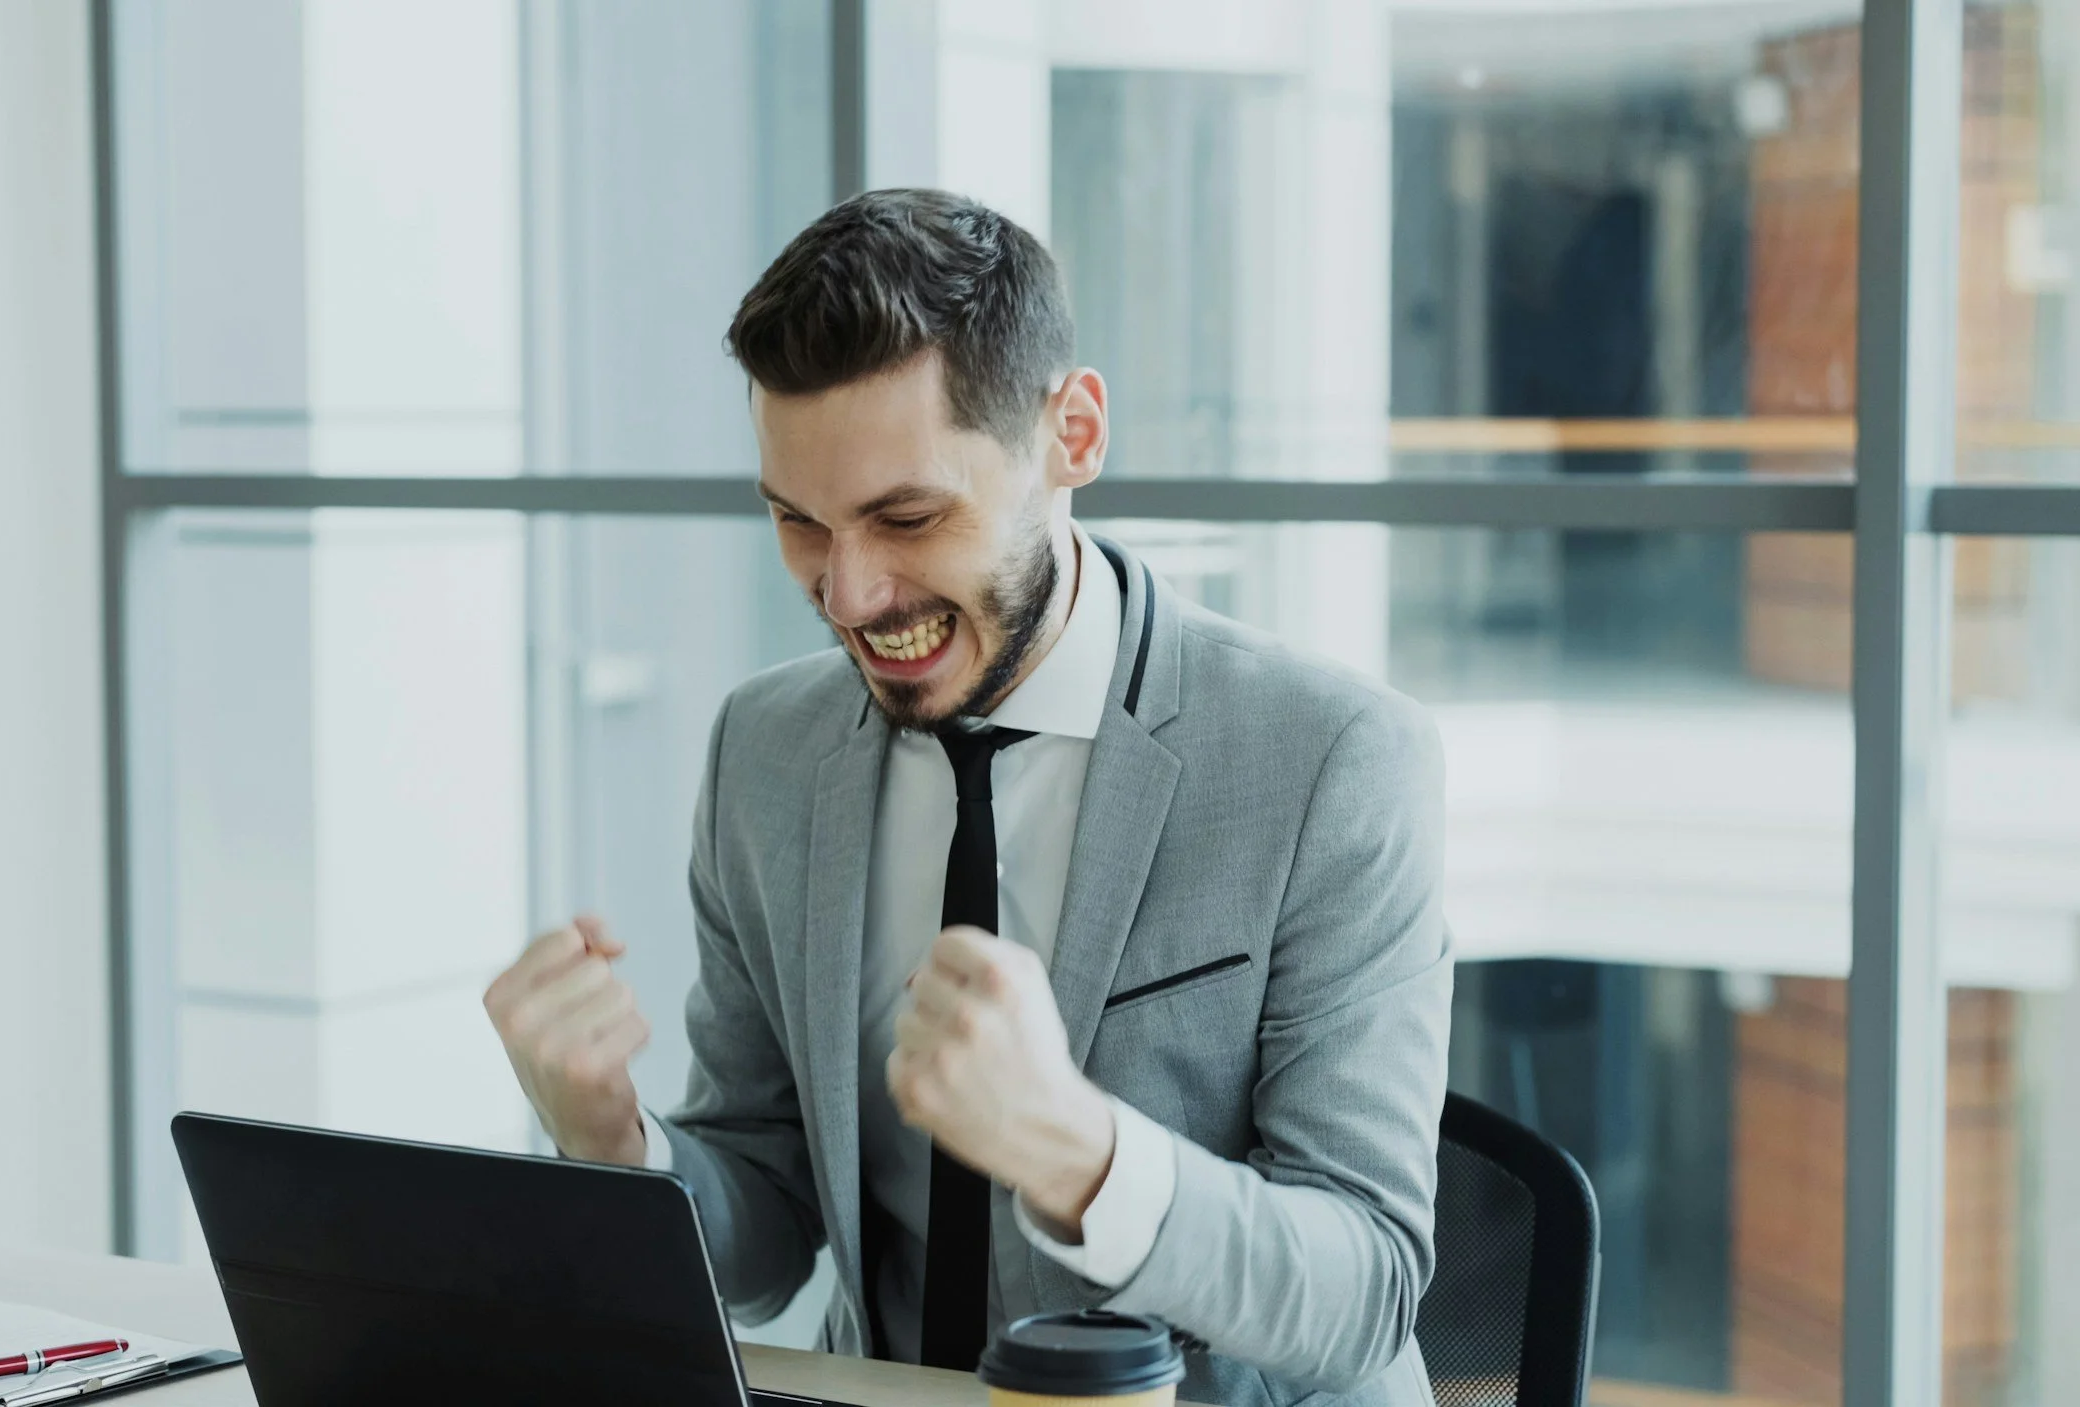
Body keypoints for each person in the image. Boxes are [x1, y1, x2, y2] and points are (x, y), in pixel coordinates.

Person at [484, 188, 1451, 1407]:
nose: (848, 594)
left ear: (1073, 436)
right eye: (797, 523)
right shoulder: (764, 753)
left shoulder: (1329, 761)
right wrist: (614, 1142)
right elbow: (769, 1217)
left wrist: (1081, 1154)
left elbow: (1364, 1288)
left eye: (907, 517)